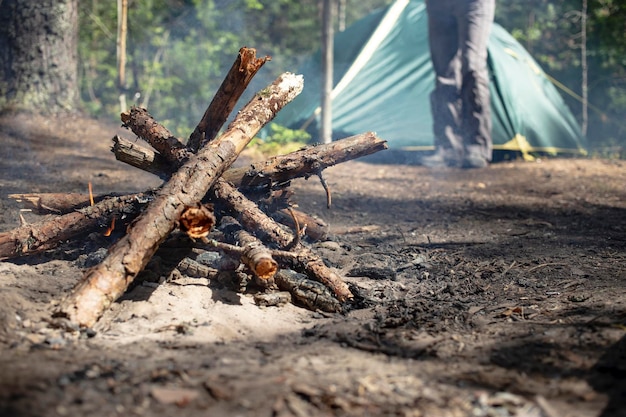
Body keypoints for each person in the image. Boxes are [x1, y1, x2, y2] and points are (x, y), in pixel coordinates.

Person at [421, 0, 496, 169]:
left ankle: (477, 147)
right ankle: (448, 149)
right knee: (444, 75)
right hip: (438, 5)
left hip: (474, 4)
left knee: (473, 68)